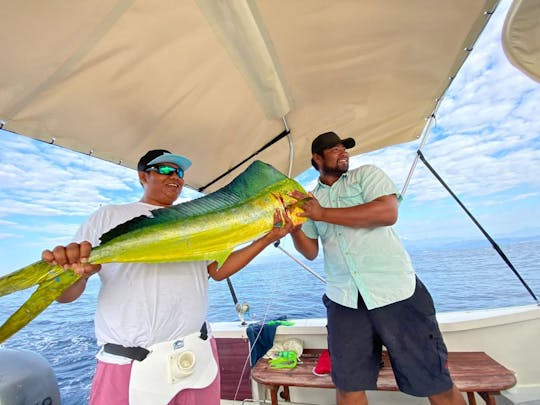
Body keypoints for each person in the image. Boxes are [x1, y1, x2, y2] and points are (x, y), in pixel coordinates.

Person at [41, 149, 294, 405]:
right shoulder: (107, 216)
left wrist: (269, 238)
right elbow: (65, 295)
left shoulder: (198, 219)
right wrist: (74, 276)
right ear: (143, 176)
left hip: (197, 356)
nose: (175, 176)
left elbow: (217, 271)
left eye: (179, 172)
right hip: (132, 365)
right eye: (164, 170)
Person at [289, 132, 466, 405]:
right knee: (347, 386)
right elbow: (310, 251)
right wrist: (293, 228)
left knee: (435, 381)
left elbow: (387, 213)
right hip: (344, 299)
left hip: (396, 292)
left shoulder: (366, 176)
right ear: (317, 158)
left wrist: (322, 214)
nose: (344, 154)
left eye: (344, 149)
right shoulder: (310, 201)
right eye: (335, 150)